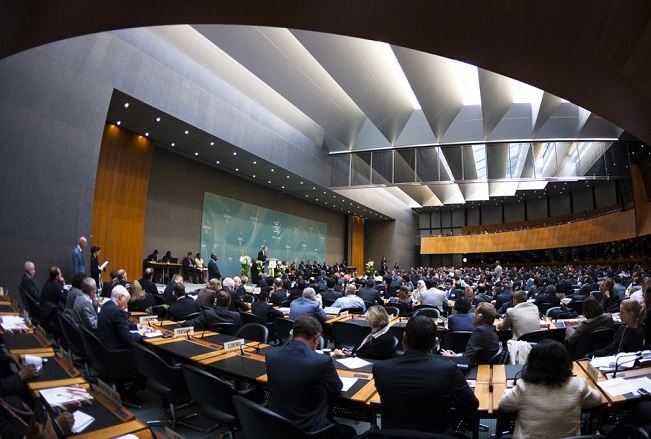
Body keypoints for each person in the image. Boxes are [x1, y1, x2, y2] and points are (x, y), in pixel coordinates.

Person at [373, 315, 479, 432]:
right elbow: (472, 405)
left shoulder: (380, 369)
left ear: (404, 338)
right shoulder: (449, 369)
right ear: (434, 343)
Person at [266, 315, 354, 438]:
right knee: (350, 431)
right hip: (310, 430)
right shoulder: (322, 361)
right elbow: (336, 388)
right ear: (316, 337)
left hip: (278, 425)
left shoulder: (271, 356)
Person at [498, 339, 602, 439]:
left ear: (532, 364)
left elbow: (503, 405)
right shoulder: (578, 385)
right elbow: (597, 399)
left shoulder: (524, 387)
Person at [96, 285, 152, 350]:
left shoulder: (106, 305)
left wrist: (139, 326)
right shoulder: (117, 311)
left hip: (104, 349)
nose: (126, 305)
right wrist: (141, 332)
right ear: (120, 297)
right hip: (116, 353)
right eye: (127, 300)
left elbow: (121, 325)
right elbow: (128, 338)